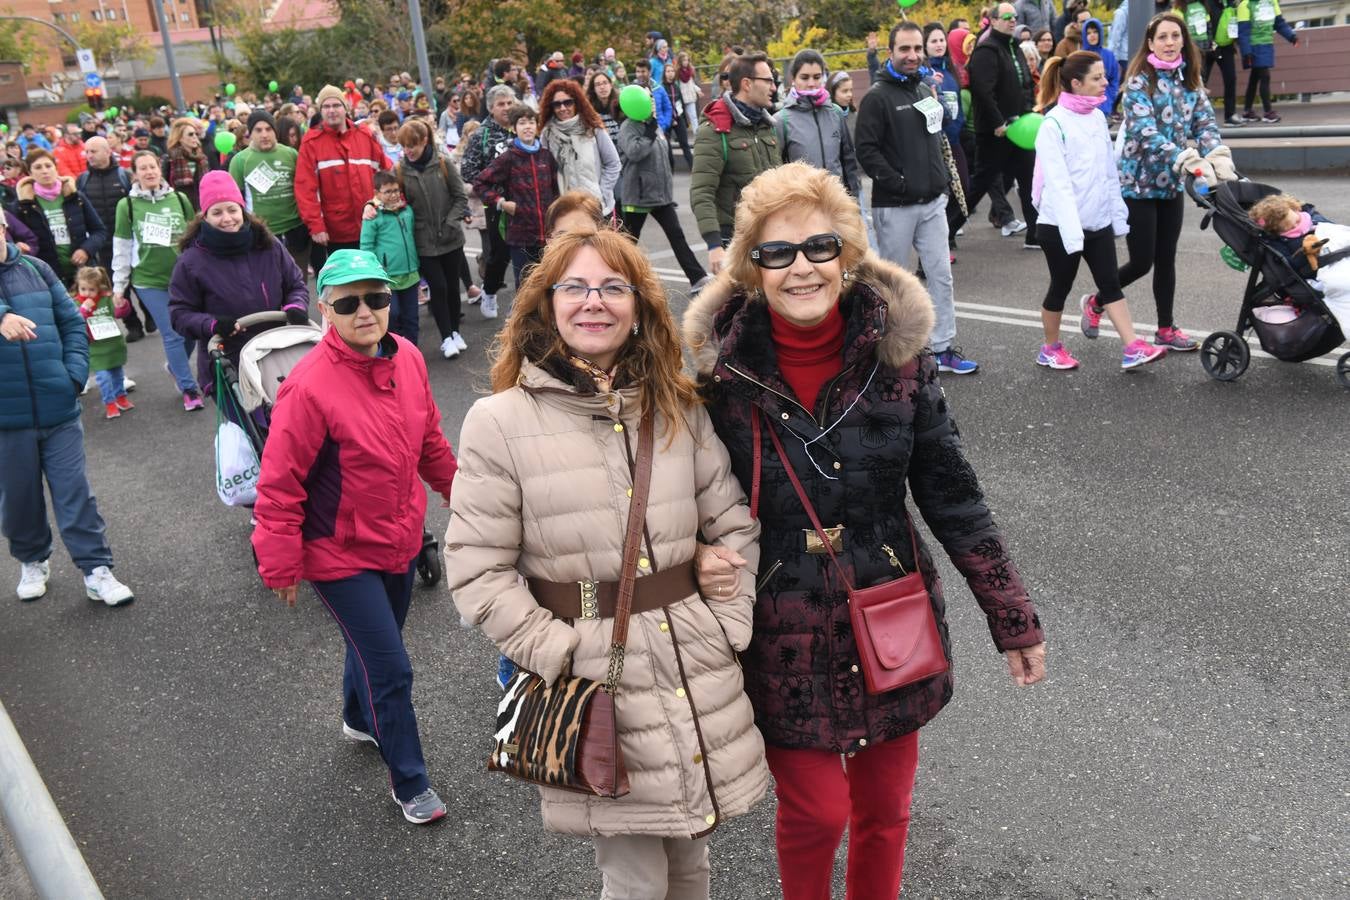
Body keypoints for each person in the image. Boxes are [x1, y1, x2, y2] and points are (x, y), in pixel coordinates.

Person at [681, 162, 1047, 899]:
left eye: (819, 246)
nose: (801, 268)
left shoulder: (900, 364)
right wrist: (695, 552)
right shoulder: (715, 378)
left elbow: (953, 495)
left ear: (847, 252)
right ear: (752, 267)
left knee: (885, 810)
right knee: (817, 810)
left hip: (890, 607)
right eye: (777, 253)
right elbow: (672, 498)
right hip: (777, 624)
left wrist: (1013, 617)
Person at [446, 227, 768, 899]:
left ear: (639, 305)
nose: (594, 303)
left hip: (689, 662)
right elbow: (478, 571)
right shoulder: (499, 422)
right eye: (576, 287)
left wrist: (729, 622)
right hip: (598, 682)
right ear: (545, 304)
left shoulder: (675, 403)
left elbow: (733, 520)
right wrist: (559, 651)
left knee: (689, 862)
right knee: (635, 879)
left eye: (613, 287)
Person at [252, 249, 458, 826]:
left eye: (377, 297)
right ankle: (411, 782)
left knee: (376, 641)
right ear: (325, 310)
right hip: (336, 553)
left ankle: (358, 718)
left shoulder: (410, 358)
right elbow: (279, 481)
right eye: (349, 302)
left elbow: (430, 443)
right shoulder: (308, 387)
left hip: (399, 537)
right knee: (390, 667)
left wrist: (463, 495)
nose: (366, 311)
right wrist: (281, 562)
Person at [0, 217, 134, 606]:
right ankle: (32, 559)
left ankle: (96, 570)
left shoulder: (37, 269)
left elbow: (72, 325)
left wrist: (73, 376)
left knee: (75, 493)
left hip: (57, 407)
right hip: (6, 419)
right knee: (18, 498)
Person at [1031, 52, 1169, 370]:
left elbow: (1108, 173)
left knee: (1111, 284)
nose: (1105, 82)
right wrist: (1073, 232)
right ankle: (1050, 348)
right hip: (1059, 224)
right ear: (1076, 84)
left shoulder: (1095, 117)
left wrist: (1114, 216)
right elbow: (1060, 185)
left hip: (1097, 221)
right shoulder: (1053, 125)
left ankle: (1132, 346)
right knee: (1060, 287)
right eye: (1097, 78)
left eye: (1104, 76)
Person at [857, 23, 978, 376]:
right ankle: (894, 353)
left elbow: (935, 138)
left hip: (932, 203)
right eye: (904, 49)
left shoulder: (926, 88)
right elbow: (866, 150)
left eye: (917, 49)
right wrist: (898, 182)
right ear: (891, 51)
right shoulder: (877, 97)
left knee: (941, 275)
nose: (912, 55)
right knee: (893, 283)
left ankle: (942, 348)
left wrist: (938, 179)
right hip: (894, 206)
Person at [1112, 11, 1233, 351]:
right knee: (1141, 261)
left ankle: (1166, 328)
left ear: (1184, 41)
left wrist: (1218, 156)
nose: (1169, 43)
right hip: (1139, 184)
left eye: (1175, 36)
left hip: (1172, 184)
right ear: (1150, 43)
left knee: (1166, 259)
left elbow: (1205, 126)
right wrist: (1184, 158)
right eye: (1162, 37)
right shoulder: (1137, 82)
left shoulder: (1190, 81)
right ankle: (1097, 301)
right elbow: (1145, 133)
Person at [168, 170, 309, 404]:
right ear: (204, 216)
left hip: (278, 352)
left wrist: (295, 305)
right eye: (217, 212)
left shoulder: (269, 245)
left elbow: (295, 284)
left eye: (232, 210)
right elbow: (179, 314)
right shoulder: (191, 261)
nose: (227, 218)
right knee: (256, 433)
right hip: (229, 360)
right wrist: (212, 324)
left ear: (242, 210)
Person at [112, 150, 203, 411]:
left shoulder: (180, 198)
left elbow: (193, 238)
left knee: (190, 331)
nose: (149, 172)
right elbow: (122, 246)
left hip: (182, 279)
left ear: (160, 169)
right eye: (143, 168)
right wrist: (120, 285)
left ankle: (175, 367)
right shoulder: (126, 206)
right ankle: (189, 389)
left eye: (153, 166)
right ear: (135, 174)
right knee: (172, 334)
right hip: (148, 281)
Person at [690, 52, 781, 275]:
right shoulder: (715, 129)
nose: (774, 87)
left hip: (771, 233)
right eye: (768, 81)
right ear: (747, 84)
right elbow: (702, 193)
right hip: (734, 238)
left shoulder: (767, 125)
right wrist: (714, 245)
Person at [386, 118, 470, 358]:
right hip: (422, 241)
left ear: (424, 141)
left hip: (451, 238)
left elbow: (460, 196)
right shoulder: (400, 170)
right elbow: (389, 197)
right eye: (404, 146)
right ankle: (446, 337)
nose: (408, 150)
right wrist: (374, 206)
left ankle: (455, 331)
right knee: (439, 287)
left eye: (412, 145)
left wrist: (451, 221)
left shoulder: (443, 163)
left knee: (453, 287)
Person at [615, 91, 712, 292]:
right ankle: (617, 280)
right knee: (628, 243)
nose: (651, 104)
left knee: (677, 236)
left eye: (651, 100)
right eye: (647, 101)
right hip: (638, 197)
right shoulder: (628, 127)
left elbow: (662, 156)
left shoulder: (654, 124)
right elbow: (634, 152)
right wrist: (649, 134)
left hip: (660, 197)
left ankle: (698, 277)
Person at [294, 84, 392, 274]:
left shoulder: (365, 135)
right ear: (320, 111)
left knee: (377, 281)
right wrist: (316, 225)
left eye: (336, 105)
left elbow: (384, 173)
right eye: (326, 106)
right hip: (338, 232)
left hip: (373, 225)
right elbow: (306, 189)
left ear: (345, 107)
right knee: (350, 285)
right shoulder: (311, 143)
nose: (331, 111)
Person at [967, 2, 1041, 249]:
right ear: (994, 20)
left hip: (1019, 130)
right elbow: (982, 91)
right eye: (1007, 16)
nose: (1012, 20)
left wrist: (1029, 113)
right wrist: (998, 122)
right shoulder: (986, 50)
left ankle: (1034, 235)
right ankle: (948, 227)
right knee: (981, 183)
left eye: (1015, 17)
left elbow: (1026, 85)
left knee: (1029, 180)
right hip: (995, 133)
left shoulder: (1015, 48)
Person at [474, 105, 560, 289]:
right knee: (526, 288)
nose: (527, 127)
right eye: (522, 123)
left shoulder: (546, 156)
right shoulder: (508, 158)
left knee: (550, 285)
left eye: (531, 122)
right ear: (514, 128)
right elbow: (480, 183)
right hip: (521, 237)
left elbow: (556, 192)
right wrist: (501, 203)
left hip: (547, 235)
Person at [75, 137, 145, 341]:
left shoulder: (124, 176)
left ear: (108, 152)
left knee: (138, 282)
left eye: (94, 151)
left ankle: (149, 314)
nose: (89, 156)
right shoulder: (83, 180)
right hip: (103, 245)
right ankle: (133, 325)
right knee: (116, 288)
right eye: (87, 152)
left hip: (129, 240)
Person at [459, 84, 518, 319]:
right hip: (496, 205)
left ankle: (525, 305)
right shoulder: (481, 135)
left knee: (528, 253)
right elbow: (468, 170)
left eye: (509, 103)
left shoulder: (521, 127)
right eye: (501, 104)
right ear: (491, 108)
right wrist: (493, 189)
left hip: (524, 201)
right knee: (499, 255)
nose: (506, 108)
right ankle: (490, 291)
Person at [228, 110, 308, 275]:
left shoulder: (290, 154)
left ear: (275, 131)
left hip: (295, 229)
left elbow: (304, 189)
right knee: (270, 286)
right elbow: (234, 201)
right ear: (250, 133)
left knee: (298, 284)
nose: (264, 134)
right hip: (262, 232)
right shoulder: (240, 160)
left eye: (268, 129)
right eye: (258, 130)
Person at [12, 150, 106, 286]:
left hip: (83, 274)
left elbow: (99, 231)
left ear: (55, 168)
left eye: (48, 166)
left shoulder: (76, 197)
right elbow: (15, 239)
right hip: (46, 275)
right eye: (38, 167)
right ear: (30, 173)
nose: (45, 171)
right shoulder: (22, 205)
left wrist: (85, 250)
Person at [776, 50, 860, 198]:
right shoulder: (782, 120)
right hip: (803, 207)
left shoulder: (836, 113)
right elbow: (777, 172)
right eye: (804, 77)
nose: (811, 83)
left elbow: (848, 161)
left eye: (816, 77)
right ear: (793, 79)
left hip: (836, 203)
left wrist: (853, 198)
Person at [539, 80, 621, 219]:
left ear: (576, 102)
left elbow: (613, 163)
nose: (563, 108)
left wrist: (603, 191)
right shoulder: (547, 134)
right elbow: (545, 170)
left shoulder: (592, 128)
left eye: (568, 102)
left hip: (596, 205)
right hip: (565, 209)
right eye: (557, 104)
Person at [361, 170, 423, 347]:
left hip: (410, 274)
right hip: (387, 278)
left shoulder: (407, 211)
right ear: (377, 193)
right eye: (387, 191)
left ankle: (412, 351)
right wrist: (373, 273)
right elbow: (366, 247)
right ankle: (395, 351)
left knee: (412, 317)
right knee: (392, 315)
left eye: (396, 190)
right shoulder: (372, 216)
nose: (393, 194)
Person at [72, 265, 136, 418]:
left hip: (113, 345)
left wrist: (122, 304)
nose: (87, 293)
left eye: (91, 290)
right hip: (95, 348)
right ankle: (110, 403)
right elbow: (75, 321)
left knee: (118, 374)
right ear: (78, 287)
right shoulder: (76, 304)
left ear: (98, 288)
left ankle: (121, 398)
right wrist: (84, 310)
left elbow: (119, 313)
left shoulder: (105, 299)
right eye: (83, 289)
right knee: (104, 378)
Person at [1236, 0, 1299, 123]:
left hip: (1267, 45)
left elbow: (1279, 23)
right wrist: (1246, 51)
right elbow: (1243, 32)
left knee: (1254, 78)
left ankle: (1247, 112)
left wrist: (1291, 36)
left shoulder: (1272, 2)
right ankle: (1268, 112)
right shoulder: (1245, 5)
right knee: (1265, 76)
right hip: (1253, 46)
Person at [1193, 0, 1244, 127]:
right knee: (1200, 82)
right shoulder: (1205, 3)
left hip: (1225, 46)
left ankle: (1230, 115)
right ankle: (1196, 117)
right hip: (1207, 48)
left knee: (1230, 79)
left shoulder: (1230, 4)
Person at [162, 118, 213, 211]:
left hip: (201, 205)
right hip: (179, 206)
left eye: (195, 134)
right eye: (190, 134)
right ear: (179, 138)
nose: (194, 137)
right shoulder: (170, 159)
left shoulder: (202, 158)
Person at [1080, 18, 1121, 111]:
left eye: (1095, 32)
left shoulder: (1108, 55)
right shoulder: (1080, 55)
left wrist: (1110, 96)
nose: (1092, 35)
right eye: (1088, 33)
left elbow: (1114, 78)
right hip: (1085, 103)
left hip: (1104, 103)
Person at [674, 51, 702, 134]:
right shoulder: (677, 72)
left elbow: (692, 84)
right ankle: (680, 135)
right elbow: (676, 84)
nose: (686, 62)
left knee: (693, 117)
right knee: (680, 118)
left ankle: (697, 134)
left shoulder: (690, 70)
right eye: (684, 60)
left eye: (687, 60)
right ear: (680, 61)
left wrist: (698, 90)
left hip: (690, 97)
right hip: (681, 98)